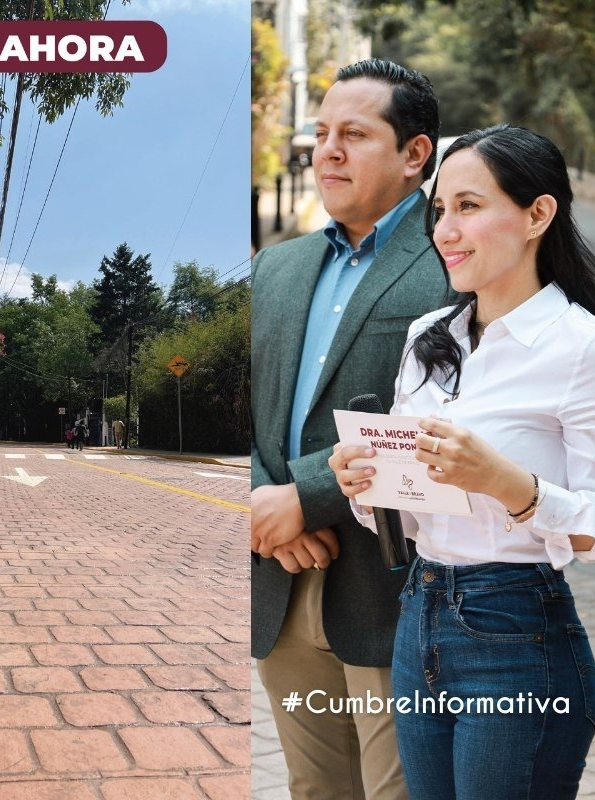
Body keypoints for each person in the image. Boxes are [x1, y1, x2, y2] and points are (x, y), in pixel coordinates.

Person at [328, 124, 595, 799]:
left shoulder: (587, 349)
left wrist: (508, 484)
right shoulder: (426, 339)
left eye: (469, 206)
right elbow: (409, 512)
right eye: (439, 210)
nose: (445, 228)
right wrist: (365, 483)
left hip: (517, 633)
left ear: (537, 214)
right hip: (420, 620)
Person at [250, 58, 455, 800]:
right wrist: (259, 504)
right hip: (279, 580)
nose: (326, 151)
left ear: (414, 154)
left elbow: (446, 425)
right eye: (321, 133)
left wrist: (304, 496)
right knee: (315, 789)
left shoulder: (454, 262)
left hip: (399, 590)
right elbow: (243, 412)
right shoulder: (277, 268)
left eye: (355, 134)